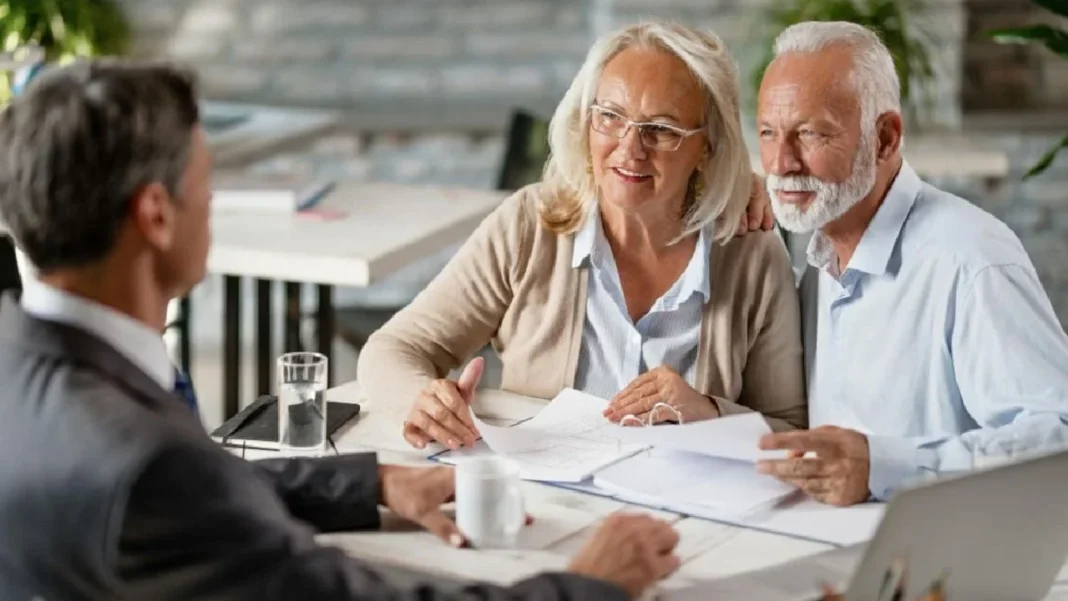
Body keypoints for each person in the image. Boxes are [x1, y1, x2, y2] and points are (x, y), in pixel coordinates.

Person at [0, 59, 684, 601]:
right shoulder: (147, 463)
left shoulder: (23, 363)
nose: (212, 203)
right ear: (155, 214)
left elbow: (195, 497)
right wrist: (588, 584)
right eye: (205, 184)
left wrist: (371, 483)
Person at [357, 21, 807, 453]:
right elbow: (394, 348)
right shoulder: (529, 226)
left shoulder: (752, 254)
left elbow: (790, 428)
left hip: (686, 504)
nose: (630, 148)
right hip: (541, 495)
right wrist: (423, 401)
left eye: (661, 129)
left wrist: (709, 412)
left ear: (706, 145)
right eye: (610, 117)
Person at [753, 21, 1068, 506]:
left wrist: (884, 467)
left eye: (810, 133)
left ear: (884, 138)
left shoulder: (971, 260)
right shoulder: (820, 253)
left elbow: (1057, 437)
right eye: (768, 133)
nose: (781, 163)